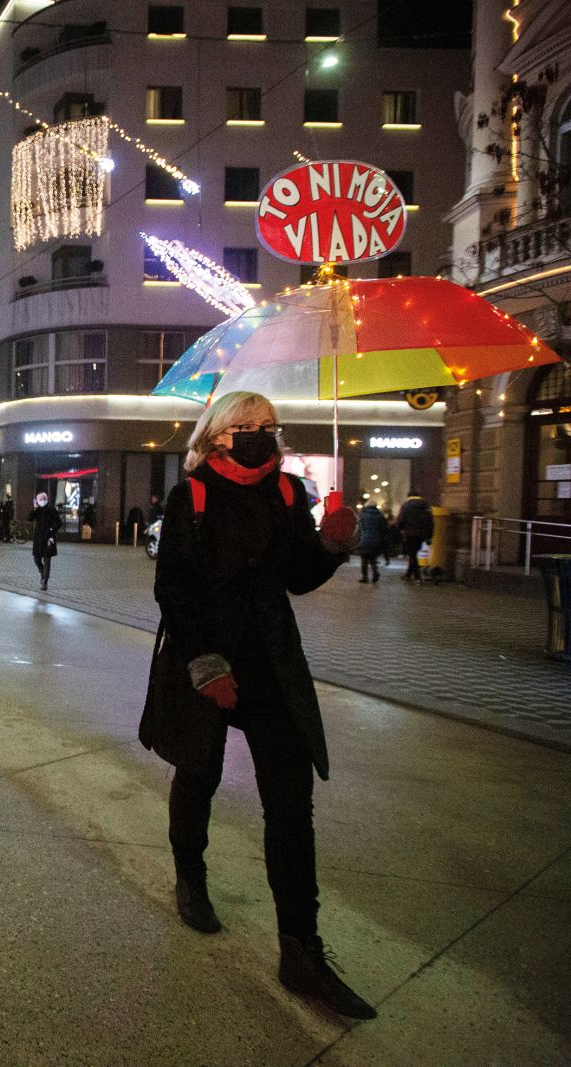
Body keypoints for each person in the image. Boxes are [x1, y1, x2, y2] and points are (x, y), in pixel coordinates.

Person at [146, 390, 374, 1020]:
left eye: (268, 425)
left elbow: (297, 577)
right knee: (198, 773)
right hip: (207, 659)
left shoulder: (287, 492)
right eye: (246, 425)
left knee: (291, 803)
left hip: (272, 662)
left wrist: (330, 547)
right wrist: (204, 664)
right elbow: (173, 589)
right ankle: (190, 876)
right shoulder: (192, 495)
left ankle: (301, 949)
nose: (259, 434)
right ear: (218, 433)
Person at [395, 492, 434, 582]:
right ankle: (408, 574)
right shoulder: (426, 506)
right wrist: (429, 536)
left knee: (412, 554)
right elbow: (430, 522)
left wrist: (400, 529)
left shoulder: (406, 506)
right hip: (422, 534)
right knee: (413, 553)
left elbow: (401, 520)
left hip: (410, 534)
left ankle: (417, 576)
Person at [29, 491, 62, 591]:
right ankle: (43, 573)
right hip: (38, 539)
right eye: (40, 499)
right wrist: (35, 508)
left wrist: (52, 529)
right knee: (36, 559)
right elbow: (29, 518)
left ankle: (45, 582)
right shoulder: (38, 510)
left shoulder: (52, 509)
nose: (42, 501)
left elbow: (59, 522)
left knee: (47, 560)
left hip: (48, 538)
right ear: (37, 501)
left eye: (44, 499)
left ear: (47, 499)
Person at [357, 502, 389, 584]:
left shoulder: (362, 515)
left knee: (364, 560)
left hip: (364, 540)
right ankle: (375, 574)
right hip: (376, 540)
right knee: (373, 559)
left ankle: (365, 577)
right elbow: (384, 529)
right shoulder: (380, 515)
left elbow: (358, 527)